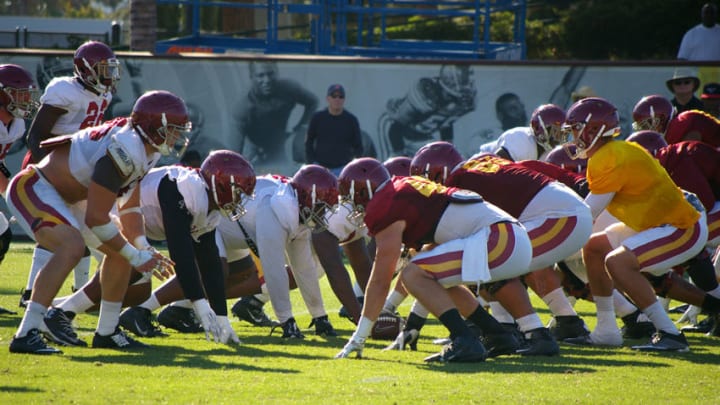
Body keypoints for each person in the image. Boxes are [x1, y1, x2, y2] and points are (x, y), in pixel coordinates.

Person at [7, 90, 188, 354]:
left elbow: (129, 203)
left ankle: (107, 331)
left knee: (121, 252)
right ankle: (27, 332)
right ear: (154, 127)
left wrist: (140, 246)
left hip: (71, 197)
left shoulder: (145, 148)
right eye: (172, 129)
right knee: (71, 247)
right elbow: (96, 218)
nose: (177, 136)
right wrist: (135, 257)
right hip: (37, 186)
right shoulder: (127, 146)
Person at [335, 157, 537, 362]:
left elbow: (381, 279)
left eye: (349, 197)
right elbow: (429, 257)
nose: (351, 206)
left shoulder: (386, 203)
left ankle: (464, 339)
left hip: (500, 239)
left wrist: (359, 337)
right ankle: (497, 334)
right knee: (430, 276)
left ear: (362, 191)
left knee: (412, 274)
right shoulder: (403, 189)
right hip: (511, 237)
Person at [53, 150, 256, 344]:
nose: (239, 200)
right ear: (219, 185)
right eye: (238, 192)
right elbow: (182, 256)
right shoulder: (184, 189)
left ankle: (60, 311)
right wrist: (200, 305)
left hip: (134, 225)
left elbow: (208, 261)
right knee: (129, 265)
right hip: (110, 211)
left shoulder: (207, 204)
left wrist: (221, 317)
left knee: (138, 291)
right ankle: (64, 314)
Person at [561, 97, 708, 352]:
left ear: (593, 129)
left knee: (617, 262)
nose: (572, 136)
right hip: (658, 224)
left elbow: (586, 214)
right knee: (595, 248)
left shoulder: (609, 157)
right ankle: (606, 330)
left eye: (575, 128)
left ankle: (670, 333)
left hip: (681, 226)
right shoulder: (612, 152)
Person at [20, 40, 121, 308]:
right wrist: (51, 177)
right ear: (85, 69)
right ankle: (32, 294)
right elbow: (36, 137)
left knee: (87, 227)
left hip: (75, 167)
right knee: (60, 229)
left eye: (111, 69)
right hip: (48, 165)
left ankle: (82, 291)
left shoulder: (104, 95)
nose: (109, 75)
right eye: (103, 69)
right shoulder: (64, 90)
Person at [235, 165, 340, 339]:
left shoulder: (298, 210)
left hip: (241, 237)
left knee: (306, 266)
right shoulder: (275, 206)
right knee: (222, 275)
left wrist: (320, 316)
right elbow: (274, 271)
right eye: (322, 207)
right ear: (307, 198)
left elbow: (304, 269)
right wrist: (287, 321)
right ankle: (183, 308)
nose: (323, 214)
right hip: (221, 232)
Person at [0, 64, 40, 314]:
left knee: (2, 235)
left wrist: (11, 195)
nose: (26, 100)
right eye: (20, 94)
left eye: (27, 94)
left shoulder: (15, 125)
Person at [376, 64, 476, 160]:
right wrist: (400, 155)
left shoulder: (460, 100)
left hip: (421, 134)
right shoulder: (426, 92)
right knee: (394, 165)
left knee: (442, 161)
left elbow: (446, 124)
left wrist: (448, 151)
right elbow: (396, 127)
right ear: (450, 81)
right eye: (464, 81)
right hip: (394, 126)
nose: (467, 86)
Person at [233, 61, 318, 168]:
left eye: (270, 74)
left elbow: (313, 102)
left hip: (283, 149)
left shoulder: (289, 89)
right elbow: (234, 152)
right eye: (261, 75)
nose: (267, 80)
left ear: (276, 73)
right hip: (256, 156)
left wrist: (300, 127)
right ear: (252, 77)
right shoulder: (243, 107)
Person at [305, 84, 363, 176]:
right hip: (321, 169)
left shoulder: (351, 120)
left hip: (343, 170)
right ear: (328, 98)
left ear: (344, 99)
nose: (337, 99)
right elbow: (309, 142)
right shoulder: (317, 118)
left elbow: (358, 147)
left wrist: (352, 167)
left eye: (341, 96)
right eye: (334, 96)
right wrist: (313, 163)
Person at [478, 103, 567, 162]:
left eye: (562, 132)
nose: (558, 137)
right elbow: (496, 167)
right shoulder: (521, 139)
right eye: (555, 131)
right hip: (479, 165)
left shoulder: (552, 152)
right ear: (538, 127)